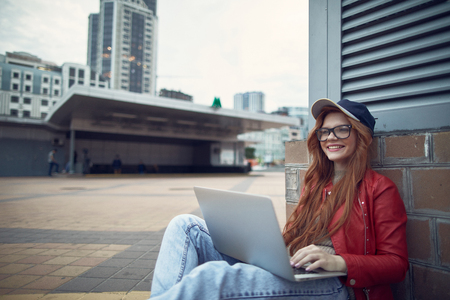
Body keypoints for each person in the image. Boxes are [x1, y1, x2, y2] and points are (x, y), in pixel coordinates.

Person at [149, 99, 408, 300]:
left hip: (333, 285)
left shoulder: (379, 189)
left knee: (210, 277)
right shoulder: (316, 183)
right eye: (325, 131)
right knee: (184, 225)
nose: (330, 138)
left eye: (342, 130)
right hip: (291, 268)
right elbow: (296, 236)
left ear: (363, 136)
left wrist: (337, 261)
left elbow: (396, 264)